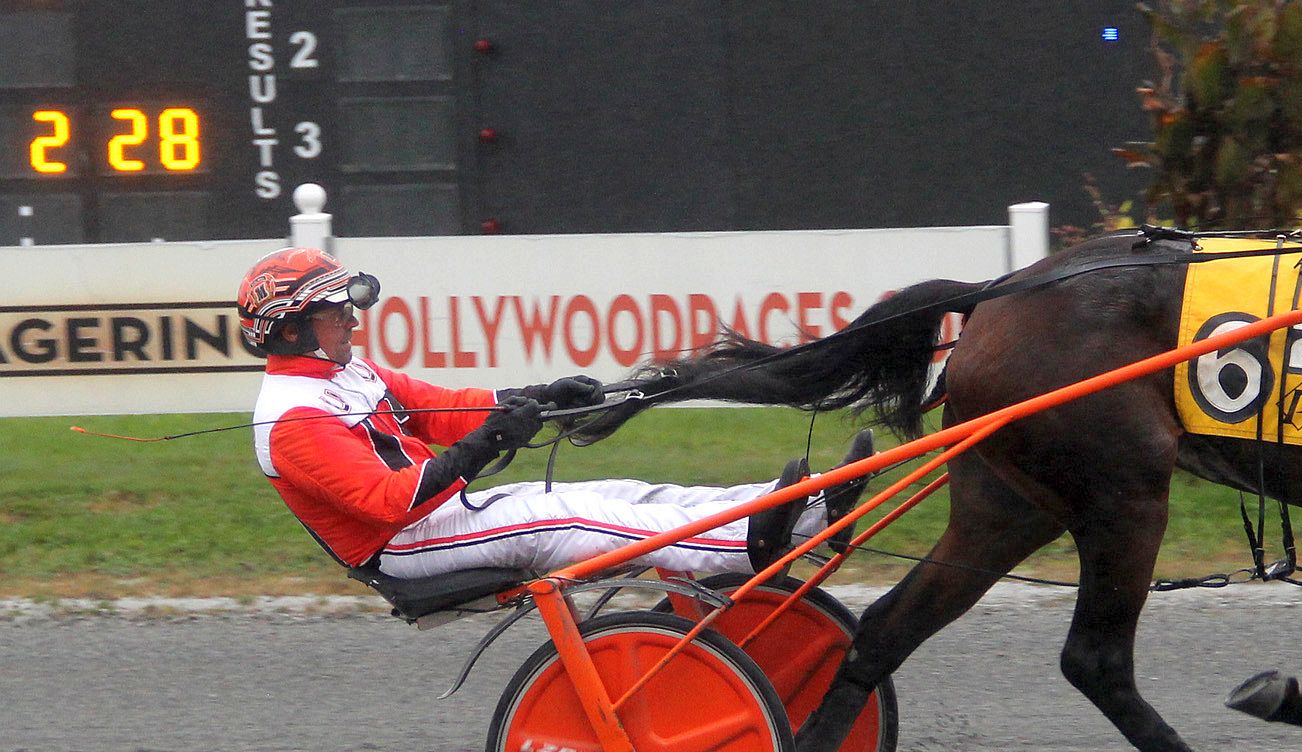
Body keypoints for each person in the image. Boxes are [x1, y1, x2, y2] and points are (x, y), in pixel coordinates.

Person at [237, 247, 871, 584]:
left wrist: (539, 397)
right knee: (568, 516)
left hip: (441, 518)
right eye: (334, 311)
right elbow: (387, 504)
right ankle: (752, 540)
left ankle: (807, 510)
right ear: (291, 329)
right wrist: (485, 446)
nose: (352, 318)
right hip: (403, 547)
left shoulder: (348, 370)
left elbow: (450, 410)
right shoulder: (291, 418)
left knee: (621, 493)